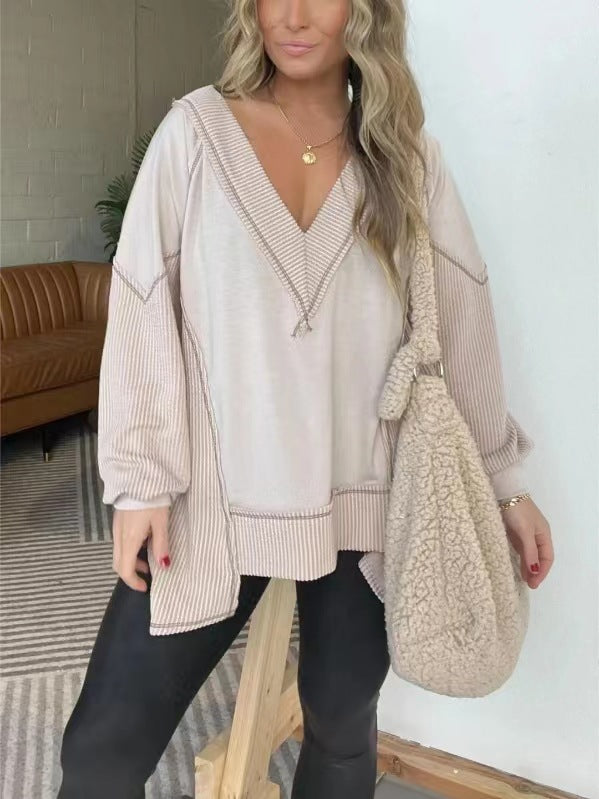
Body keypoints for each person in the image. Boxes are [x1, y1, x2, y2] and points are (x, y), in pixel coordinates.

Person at [57, 1, 554, 797]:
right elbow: (144, 306)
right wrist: (142, 483)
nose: (290, 15)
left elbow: (461, 323)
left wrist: (504, 482)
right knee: (99, 750)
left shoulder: (405, 159)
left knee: (341, 723)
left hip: (363, 499)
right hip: (214, 501)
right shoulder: (195, 134)